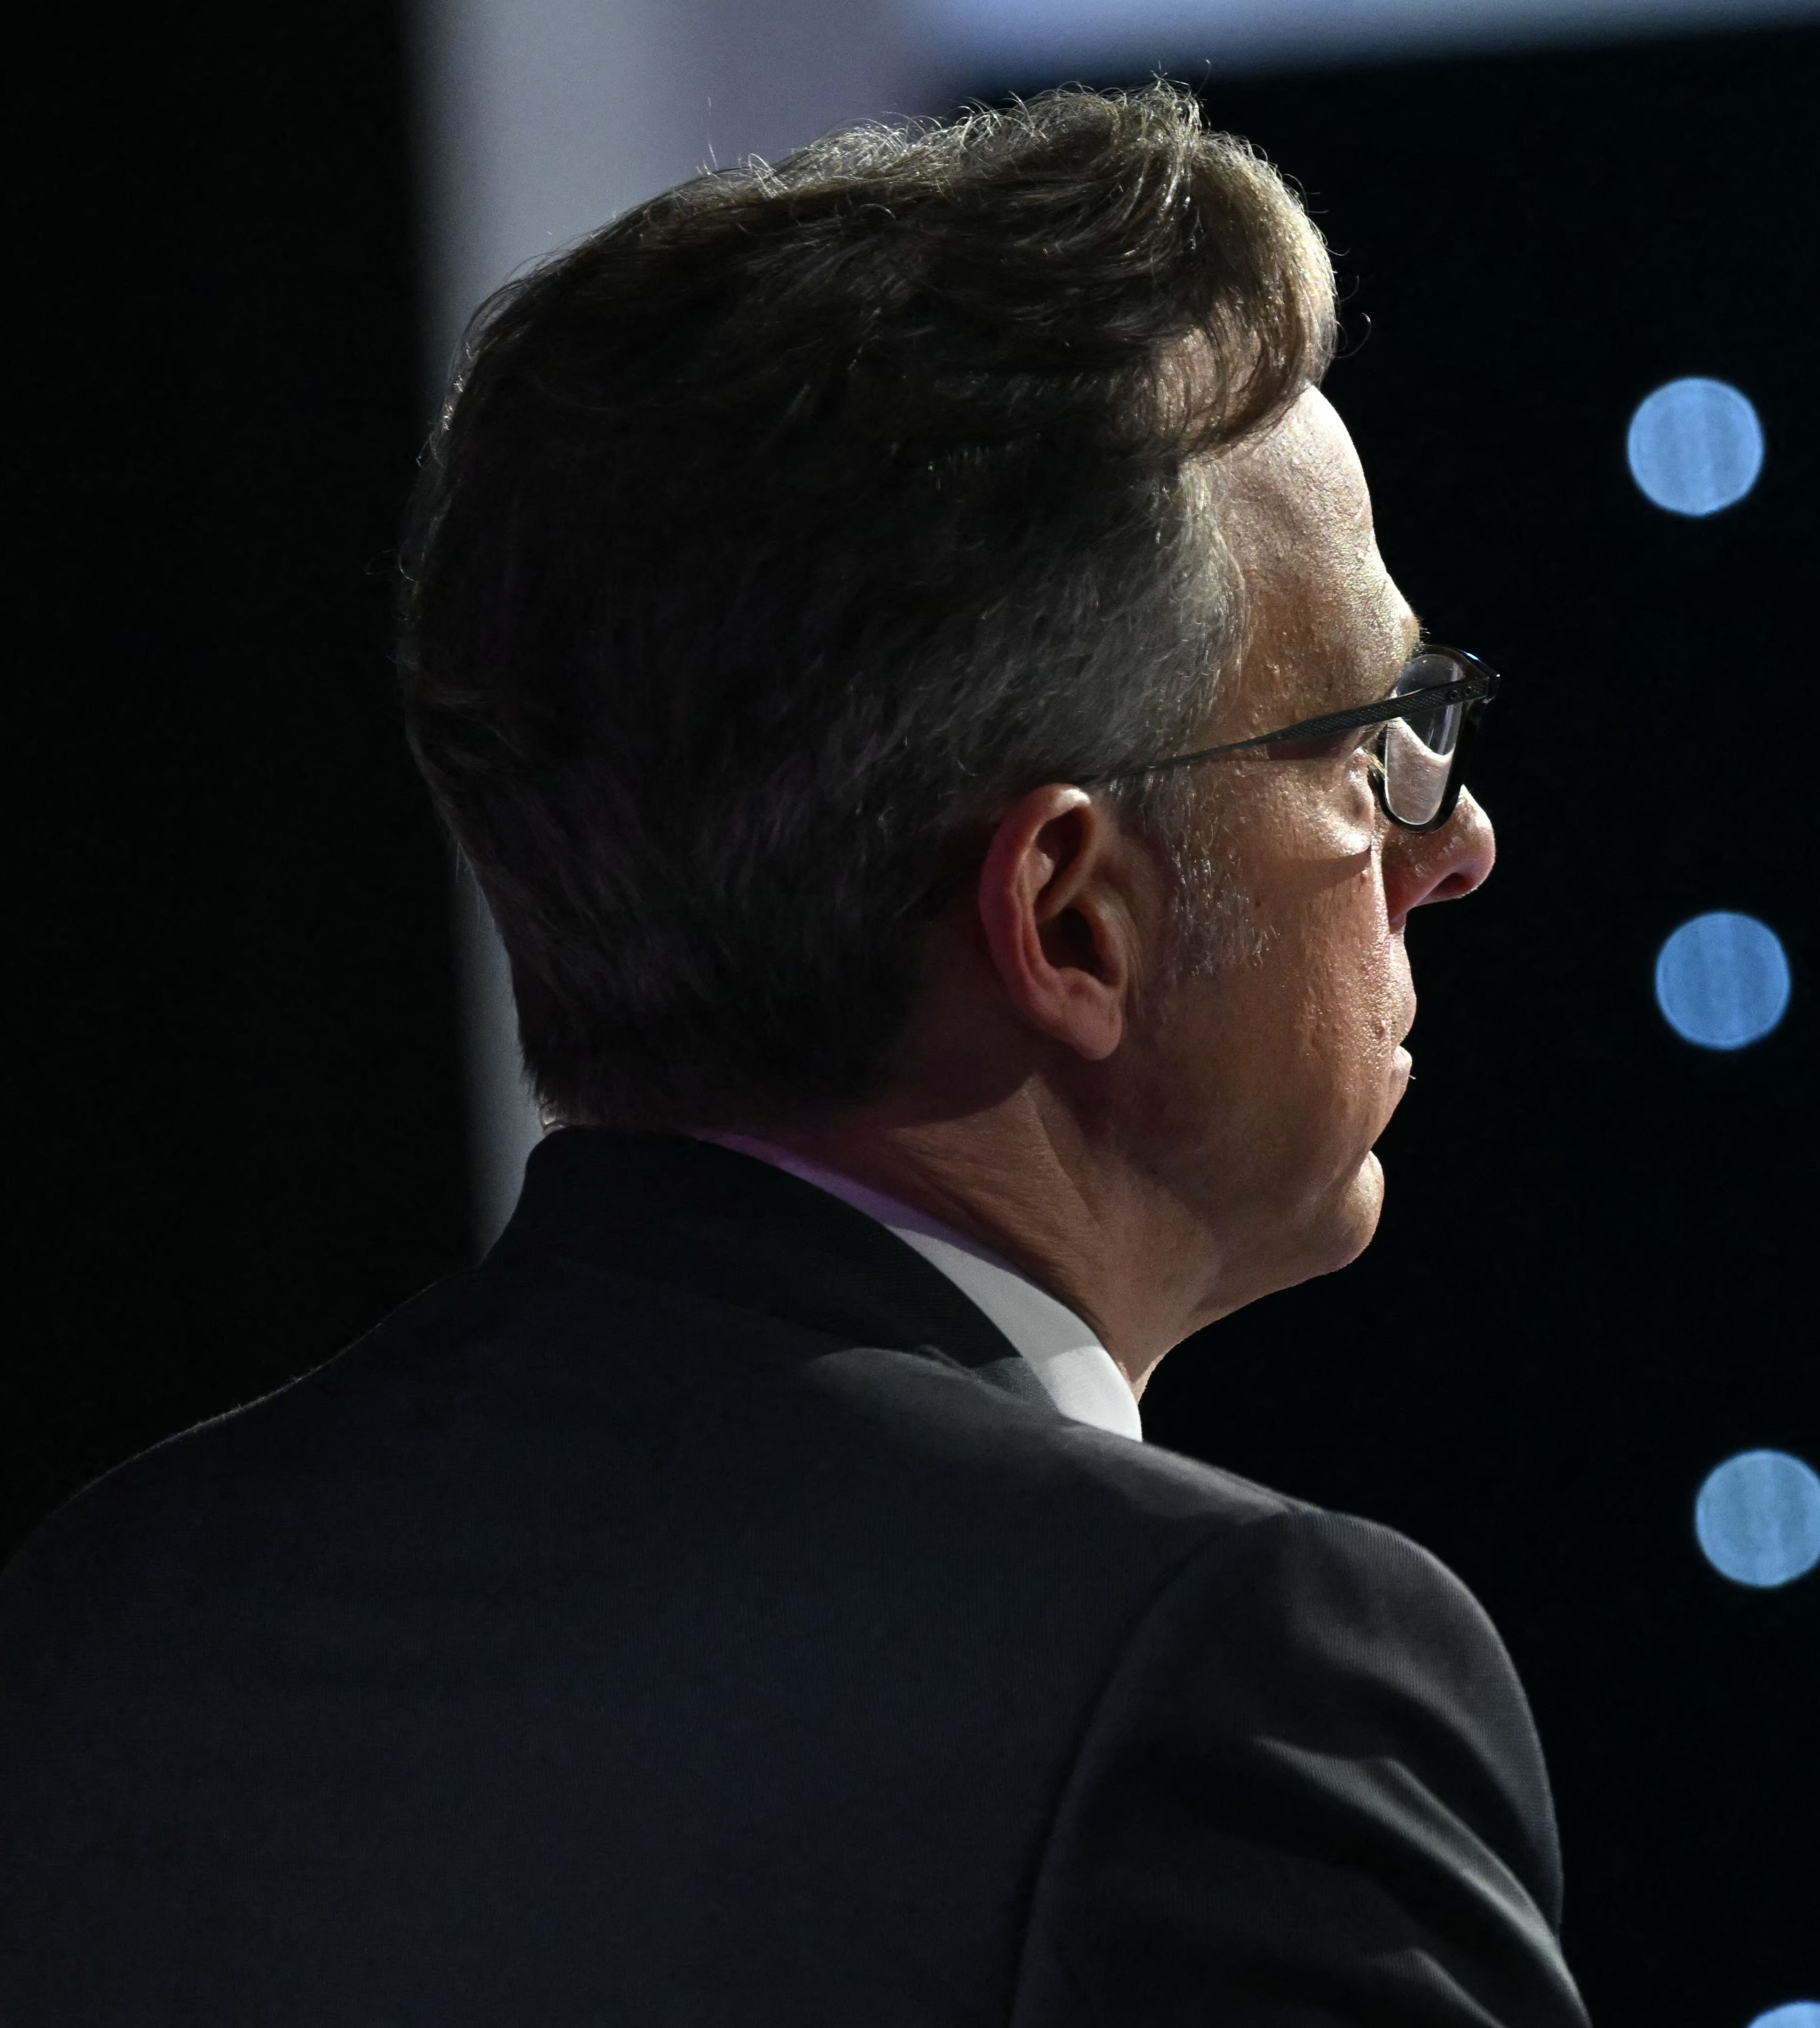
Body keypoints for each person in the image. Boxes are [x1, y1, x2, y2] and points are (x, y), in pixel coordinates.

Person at [0, 86, 1584, 2026]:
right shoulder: (1198, 1672)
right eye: (1366, 738)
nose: (1453, 840)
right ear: (1070, 918)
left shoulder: (114, 1611)